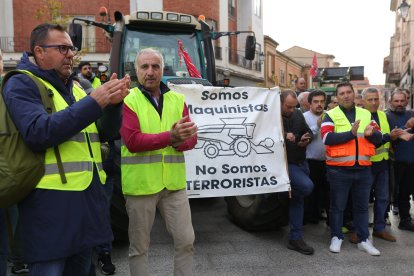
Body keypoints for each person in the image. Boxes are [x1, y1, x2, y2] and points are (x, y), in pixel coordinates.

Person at [2, 23, 130, 275]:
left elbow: (104, 132)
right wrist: (95, 102)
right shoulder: (21, 84)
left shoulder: (76, 86)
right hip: (50, 206)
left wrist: (114, 106)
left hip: (85, 201)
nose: (71, 54)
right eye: (62, 48)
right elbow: (38, 132)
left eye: (71, 48)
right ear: (39, 52)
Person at [120, 48, 197, 276]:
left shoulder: (177, 99)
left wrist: (179, 141)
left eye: (155, 66)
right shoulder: (128, 100)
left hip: (173, 186)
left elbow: (191, 139)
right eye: (145, 67)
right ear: (136, 71)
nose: (150, 72)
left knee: (186, 241)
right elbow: (132, 141)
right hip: (141, 186)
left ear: (163, 70)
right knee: (139, 249)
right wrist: (171, 137)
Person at [321, 82, 382, 256]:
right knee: (337, 207)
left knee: (362, 207)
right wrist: (351, 134)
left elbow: (377, 138)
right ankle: (336, 237)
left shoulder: (365, 113)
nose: (346, 96)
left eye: (349, 92)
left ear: (354, 94)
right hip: (338, 169)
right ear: (337, 97)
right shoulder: (330, 115)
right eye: (342, 93)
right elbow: (327, 138)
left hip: (363, 169)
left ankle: (364, 240)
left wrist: (373, 134)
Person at [361, 87, 401, 242]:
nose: (373, 102)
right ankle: (360, 230)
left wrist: (397, 136)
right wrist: (388, 137)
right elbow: (370, 140)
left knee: (383, 198)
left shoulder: (383, 115)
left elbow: (387, 138)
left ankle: (379, 229)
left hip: (383, 164)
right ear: (363, 101)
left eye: (376, 99)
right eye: (370, 99)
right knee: (362, 200)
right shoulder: (360, 116)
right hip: (366, 164)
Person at [281, 90, 315, 255]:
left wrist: (306, 139)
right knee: (306, 187)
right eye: (288, 106)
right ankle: (295, 236)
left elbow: (308, 133)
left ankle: (295, 238)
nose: (292, 110)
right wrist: (284, 136)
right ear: (280, 103)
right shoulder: (272, 117)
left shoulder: (298, 115)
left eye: (295, 107)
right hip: (288, 164)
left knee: (298, 199)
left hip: (302, 162)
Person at [386, 89, 414, 231]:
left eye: (402, 101)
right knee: (387, 191)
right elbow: (385, 138)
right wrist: (406, 128)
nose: (399, 104)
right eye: (396, 101)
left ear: (407, 101)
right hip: (392, 162)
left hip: (410, 161)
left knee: (406, 192)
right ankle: (383, 219)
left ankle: (405, 219)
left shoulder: (412, 114)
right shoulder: (386, 116)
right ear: (391, 102)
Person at [303, 90, 329, 225]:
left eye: (322, 101)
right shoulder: (304, 117)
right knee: (311, 192)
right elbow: (304, 138)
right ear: (310, 103)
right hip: (310, 162)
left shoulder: (329, 116)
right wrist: (317, 127)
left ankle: (319, 213)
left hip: (328, 162)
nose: (319, 104)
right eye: (316, 102)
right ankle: (310, 217)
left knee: (325, 193)